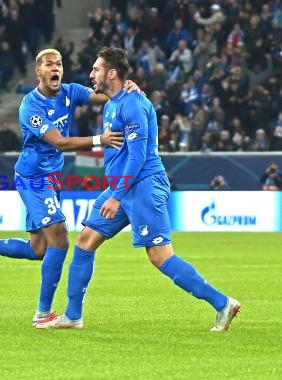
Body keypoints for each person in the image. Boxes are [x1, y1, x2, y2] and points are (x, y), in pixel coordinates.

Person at [35, 47, 240, 332]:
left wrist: (117, 196)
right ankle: (72, 316)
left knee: (160, 256)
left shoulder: (133, 104)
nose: (91, 74)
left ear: (112, 73)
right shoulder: (112, 104)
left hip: (142, 185)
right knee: (85, 240)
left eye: (96, 69)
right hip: (121, 187)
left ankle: (223, 303)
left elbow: (138, 155)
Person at [0, 48, 137, 326]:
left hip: (52, 177)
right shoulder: (30, 106)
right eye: (49, 64)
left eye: (59, 63)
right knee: (59, 238)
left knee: (39, 249)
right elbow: (59, 141)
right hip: (33, 179)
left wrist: (124, 88)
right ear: (39, 71)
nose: (55, 68)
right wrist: (100, 139)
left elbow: (101, 94)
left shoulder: (70, 91)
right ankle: (42, 314)